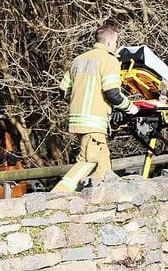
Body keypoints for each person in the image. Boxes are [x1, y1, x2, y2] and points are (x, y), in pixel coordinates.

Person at [55, 23, 138, 191]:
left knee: (103, 162)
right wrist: (131, 108)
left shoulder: (78, 60)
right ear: (109, 42)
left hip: (77, 120)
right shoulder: (109, 60)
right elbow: (112, 93)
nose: (116, 46)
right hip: (94, 121)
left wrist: (79, 102)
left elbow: (63, 90)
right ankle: (56, 196)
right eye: (116, 42)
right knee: (88, 159)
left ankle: (104, 199)